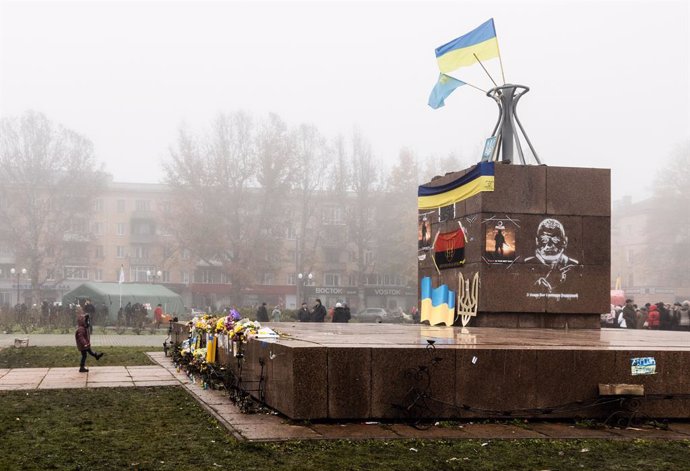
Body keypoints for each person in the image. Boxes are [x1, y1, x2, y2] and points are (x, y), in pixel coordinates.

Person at [525, 218, 579, 292]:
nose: (549, 245)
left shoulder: (574, 266)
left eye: (555, 239)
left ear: (565, 241)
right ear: (537, 241)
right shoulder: (526, 265)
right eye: (544, 239)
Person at [75, 306, 103, 372]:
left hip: (85, 344)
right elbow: (81, 337)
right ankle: (81, 367)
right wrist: (85, 344)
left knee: (89, 351)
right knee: (84, 355)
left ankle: (96, 356)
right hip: (83, 345)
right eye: (86, 322)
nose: (87, 324)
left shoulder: (83, 327)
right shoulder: (81, 329)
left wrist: (87, 317)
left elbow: (84, 317)